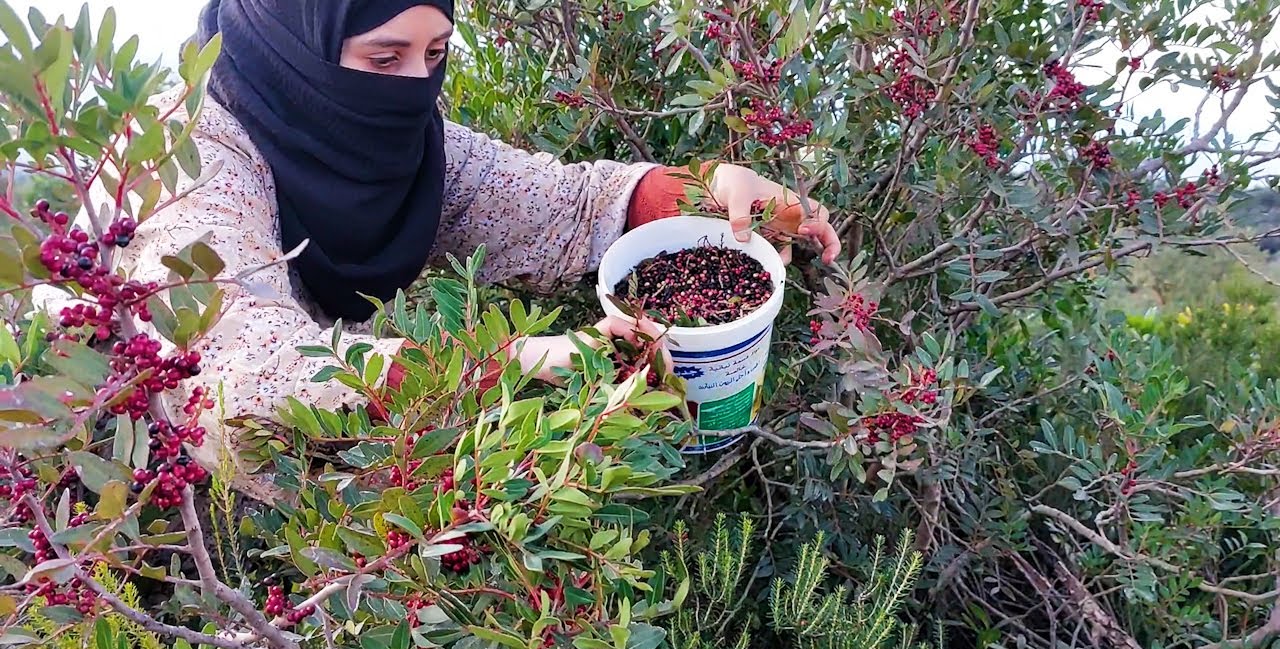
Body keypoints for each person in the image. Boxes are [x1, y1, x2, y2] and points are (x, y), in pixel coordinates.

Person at [43, 0, 840, 482]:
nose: (410, 88)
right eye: (381, 57)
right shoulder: (178, 165)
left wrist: (711, 191)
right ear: (290, 39)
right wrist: (513, 362)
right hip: (130, 523)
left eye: (434, 56)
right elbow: (233, 387)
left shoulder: (412, 147)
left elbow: (562, 208)